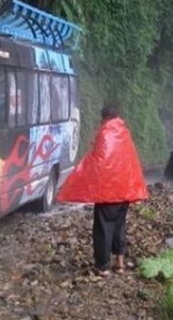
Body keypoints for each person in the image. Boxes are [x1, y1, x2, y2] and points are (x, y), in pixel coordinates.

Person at [56, 105, 149, 276]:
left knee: (103, 228)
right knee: (120, 226)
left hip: (108, 193)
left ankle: (103, 266)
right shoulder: (125, 134)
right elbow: (130, 162)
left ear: (105, 118)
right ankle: (120, 264)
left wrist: (81, 174)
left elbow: (99, 162)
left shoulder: (105, 134)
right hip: (125, 192)